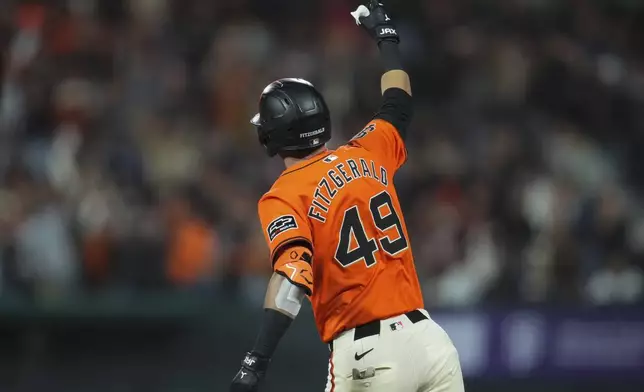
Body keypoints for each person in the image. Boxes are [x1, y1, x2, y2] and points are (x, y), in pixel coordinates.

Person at [230, 2, 464, 391]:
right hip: (431, 342)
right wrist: (386, 37)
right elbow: (398, 102)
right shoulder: (368, 150)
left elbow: (293, 275)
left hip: (370, 354)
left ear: (270, 137)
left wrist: (257, 358)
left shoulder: (283, 195)